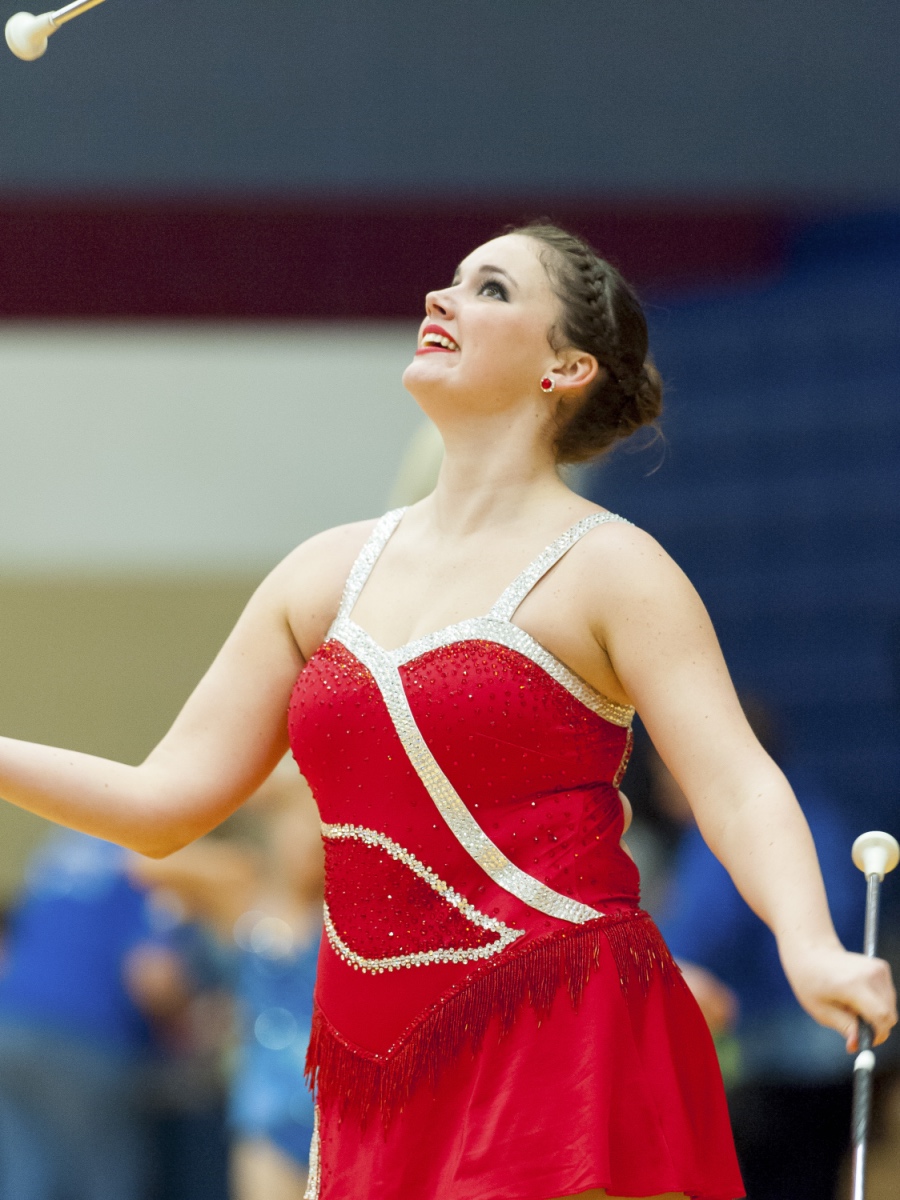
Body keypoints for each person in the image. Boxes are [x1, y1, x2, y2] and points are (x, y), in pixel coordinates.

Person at [0, 222, 895, 1200]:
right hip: (369, 1061)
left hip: (561, 1020)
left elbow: (733, 781)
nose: (443, 299)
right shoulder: (320, 574)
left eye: (492, 288)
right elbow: (161, 802)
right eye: (454, 280)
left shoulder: (610, 567)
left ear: (566, 367)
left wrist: (810, 945)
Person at [130, 760, 323, 1200]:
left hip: (338, 1110)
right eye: (298, 824)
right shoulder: (241, 894)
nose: (312, 844)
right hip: (266, 1105)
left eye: (322, 834)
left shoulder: (348, 913)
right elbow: (146, 863)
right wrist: (238, 790)